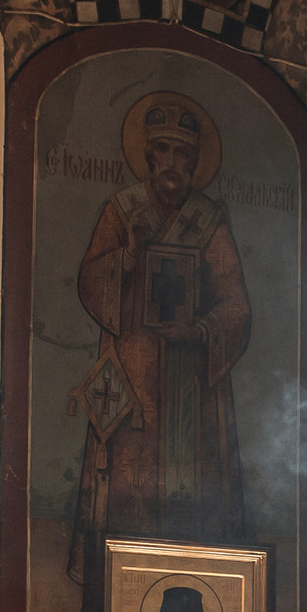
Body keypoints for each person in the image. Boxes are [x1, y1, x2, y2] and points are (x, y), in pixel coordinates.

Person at [67, 92, 253, 581]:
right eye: (164, 150)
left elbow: (236, 305)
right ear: (149, 154)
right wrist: (128, 256)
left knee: (192, 504)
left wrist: (199, 330)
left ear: (194, 161)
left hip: (191, 387)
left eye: (183, 153)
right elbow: (91, 281)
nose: (172, 162)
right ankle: (114, 592)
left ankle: (195, 588)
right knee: (126, 485)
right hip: (133, 381)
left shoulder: (209, 221)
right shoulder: (123, 210)